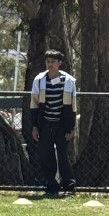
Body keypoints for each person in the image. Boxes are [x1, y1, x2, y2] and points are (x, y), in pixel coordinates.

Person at [29, 49, 78, 197]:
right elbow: (34, 103)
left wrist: (71, 128)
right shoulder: (39, 80)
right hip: (45, 124)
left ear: (59, 63)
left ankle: (69, 186)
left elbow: (73, 105)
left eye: (53, 62)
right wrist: (35, 126)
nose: (50, 65)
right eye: (48, 62)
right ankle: (51, 185)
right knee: (46, 155)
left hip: (62, 125)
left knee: (63, 155)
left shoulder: (69, 81)